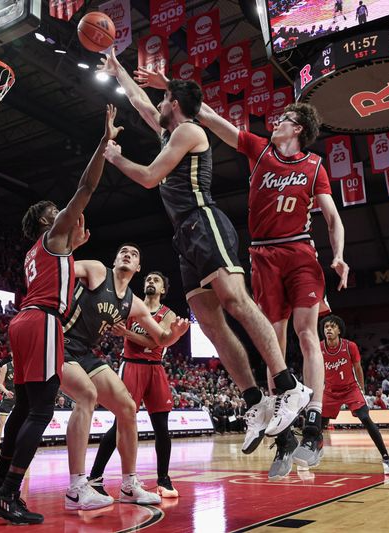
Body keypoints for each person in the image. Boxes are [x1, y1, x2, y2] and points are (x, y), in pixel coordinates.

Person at [99, 49, 312, 454]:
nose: (157, 105)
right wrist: (119, 71)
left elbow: (147, 178)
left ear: (175, 105)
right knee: (211, 326)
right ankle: (256, 402)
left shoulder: (189, 131)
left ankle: (288, 384)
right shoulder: (170, 131)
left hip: (205, 222)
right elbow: (142, 104)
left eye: (165, 100)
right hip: (185, 237)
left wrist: (116, 156)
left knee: (235, 300)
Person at [190, 96, 347, 476]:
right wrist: (179, 92)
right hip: (263, 257)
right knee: (272, 343)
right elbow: (211, 118)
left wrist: (339, 255)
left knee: (306, 333)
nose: (276, 121)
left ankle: (313, 425)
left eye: (285, 119)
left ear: (298, 130)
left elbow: (332, 217)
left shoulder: (314, 166)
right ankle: (284, 437)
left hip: (299, 253)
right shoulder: (259, 150)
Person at [0, 106, 120, 525]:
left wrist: (76, 241)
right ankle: (7, 493)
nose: (67, 212)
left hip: (24, 322)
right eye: (59, 211)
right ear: (48, 219)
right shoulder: (54, 234)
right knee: (41, 412)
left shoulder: (41, 251)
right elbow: (87, 186)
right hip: (42, 322)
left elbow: (63, 275)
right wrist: (103, 143)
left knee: (24, 408)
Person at [59, 245, 188, 511]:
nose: (128, 254)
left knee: (128, 409)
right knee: (88, 397)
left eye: (134, 253)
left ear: (137, 267)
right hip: (61, 342)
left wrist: (175, 334)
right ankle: (78, 486)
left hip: (88, 353)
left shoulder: (134, 303)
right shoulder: (96, 270)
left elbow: (161, 340)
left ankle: (130, 485)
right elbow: (61, 269)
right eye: (123, 251)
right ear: (115, 259)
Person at [87, 271, 186, 498]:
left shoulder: (168, 314)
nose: (151, 281)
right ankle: (95, 477)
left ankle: (164, 479)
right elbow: (143, 337)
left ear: (163, 290)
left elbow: (156, 343)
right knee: (120, 423)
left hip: (156, 368)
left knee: (161, 426)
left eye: (156, 280)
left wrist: (129, 334)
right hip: (131, 366)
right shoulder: (133, 306)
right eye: (148, 279)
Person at [319, 315, 389, 474]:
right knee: (319, 425)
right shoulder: (318, 347)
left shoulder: (349, 346)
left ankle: (386, 458)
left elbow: (358, 368)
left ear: (339, 330)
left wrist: (361, 388)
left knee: (365, 418)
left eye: (332, 327)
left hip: (350, 388)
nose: (329, 329)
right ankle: (315, 450)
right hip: (330, 391)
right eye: (326, 327)